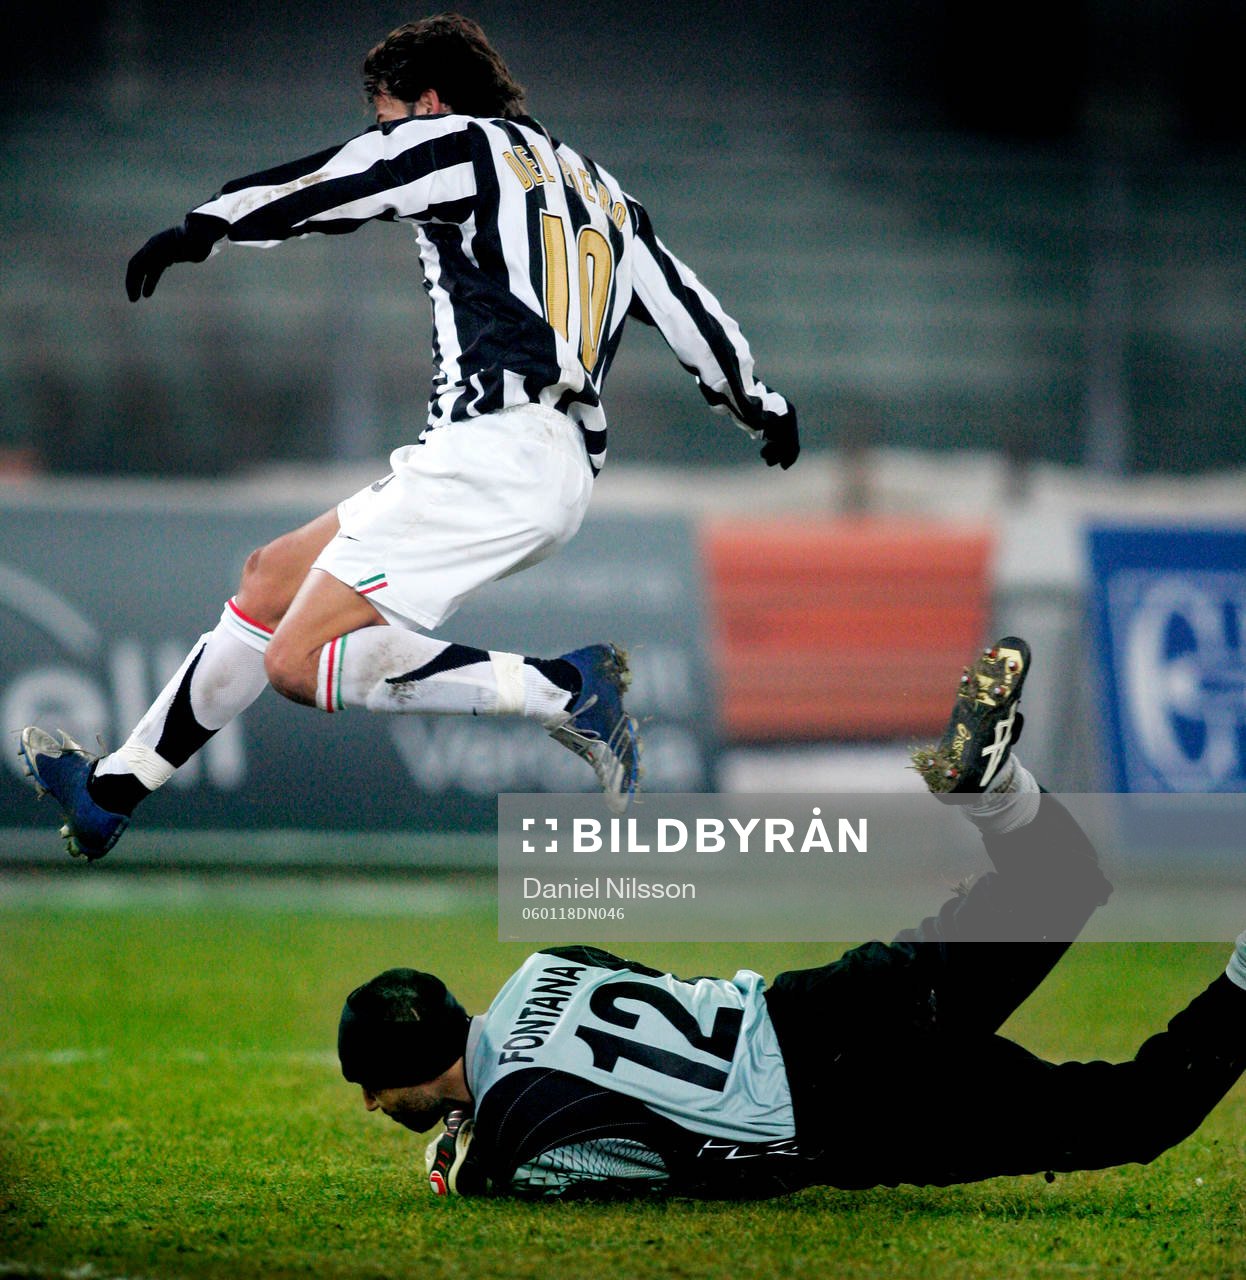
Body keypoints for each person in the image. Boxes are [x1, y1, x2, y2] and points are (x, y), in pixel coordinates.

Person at [17, 14, 800, 859]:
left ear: (431, 102)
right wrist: (759, 401)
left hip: (495, 453)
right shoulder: (603, 190)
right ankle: (114, 791)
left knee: (294, 662)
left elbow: (349, 179)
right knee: (270, 576)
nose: (379, 132)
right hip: (535, 460)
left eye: (387, 113)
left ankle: (566, 690)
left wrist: (209, 222)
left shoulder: (464, 145)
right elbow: (691, 315)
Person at [338, 637, 1246, 1199]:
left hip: (843, 1105)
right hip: (821, 1005)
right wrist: (476, 1136)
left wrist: (469, 1167)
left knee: (1134, 1114)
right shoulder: (545, 964)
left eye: (373, 1086)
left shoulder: (515, 1127)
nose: (375, 1105)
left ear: (406, 1073)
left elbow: (660, 1168)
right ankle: (994, 788)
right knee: (1065, 879)